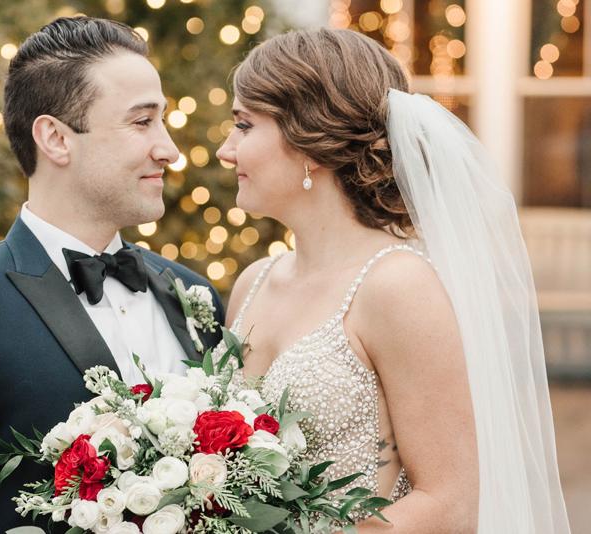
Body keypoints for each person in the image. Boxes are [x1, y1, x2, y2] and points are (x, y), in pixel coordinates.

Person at [0, 17, 223, 533]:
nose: (168, 149)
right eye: (142, 122)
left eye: (163, 120)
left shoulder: (193, 294)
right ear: (56, 138)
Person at [217, 28, 570, 533]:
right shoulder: (254, 281)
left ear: (309, 138)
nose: (226, 150)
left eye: (244, 126)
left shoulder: (398, 287)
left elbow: (450, 501)